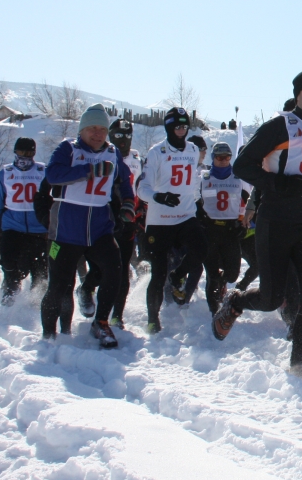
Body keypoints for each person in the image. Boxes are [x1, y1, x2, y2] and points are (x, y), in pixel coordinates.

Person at [216, 75, 302, 377]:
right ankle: (236, 301)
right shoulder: (280, 125)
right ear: (298, 93)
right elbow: (241, 165)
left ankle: (298, 365)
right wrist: (278, 183)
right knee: (271, 299)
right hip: (275, 223)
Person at [39, 104, 135, 347]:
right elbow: (52, 175)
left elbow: (124, 180)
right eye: (92, 128)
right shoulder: (68, 148)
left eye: (102, 129)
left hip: (99, 229)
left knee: (114, 268)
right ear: (82, 130)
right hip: (65, 229)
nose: (98, 133)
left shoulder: (112, 152)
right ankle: (50, 335)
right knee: (60, 285)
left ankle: (101, 322)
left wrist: (127, 203)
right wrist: (89, 171)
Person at [135, 108, 209, 333]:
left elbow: (193, 181)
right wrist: (158, 197)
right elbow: (142, 188)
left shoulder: (194, 150)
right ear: (168, 127)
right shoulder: (157, 152)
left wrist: (197, 202)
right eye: (177, 126)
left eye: (185, 126)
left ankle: (178, 275)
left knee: (202, 249)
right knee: (158, 273)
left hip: (185, 216)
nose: (181, 131)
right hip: (160, 220)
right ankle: (152, 319)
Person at [78, 119, 142, 326]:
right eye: (118, 135)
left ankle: (116, 316)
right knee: (101, 267)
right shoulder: (101, 155)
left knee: (122, 270)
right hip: (102, 218)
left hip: (127, 219)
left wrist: (139, 209)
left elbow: (141, 186)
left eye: (127, 136)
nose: (123, 140)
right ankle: (87, 287)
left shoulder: (136, 158)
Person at [0, 138, 49, 305]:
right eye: (21, 153)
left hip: (38, 228)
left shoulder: (43, 171)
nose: (25, 157)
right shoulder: (5, 173)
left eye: (29, 153)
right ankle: (10, 290)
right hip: (12, 226)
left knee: (39, 269)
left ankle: (36, 301)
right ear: (15, 152)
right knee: (8, 261)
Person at [198, 141, 247, 314]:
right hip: (210, 230)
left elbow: (248, 200)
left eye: (227, 157)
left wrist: (244, 221)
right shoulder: (203, 177)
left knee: (232, 273)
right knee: (211, 274)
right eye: (219, 158)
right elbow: (195, 201)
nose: (224, 161)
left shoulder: (238, 177)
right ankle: (214, 312)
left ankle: (222, 283)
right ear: (213, 158)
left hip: (230, 230)